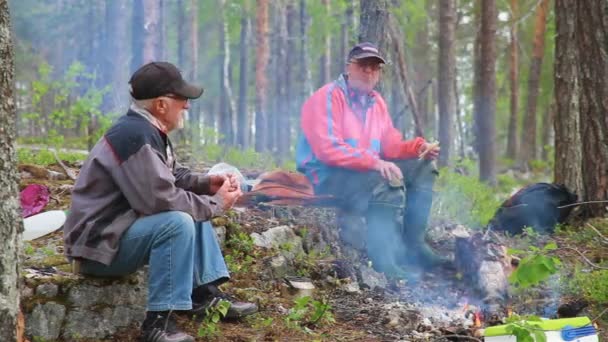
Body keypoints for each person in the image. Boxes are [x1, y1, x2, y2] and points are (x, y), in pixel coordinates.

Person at [64, 62, 257, 342]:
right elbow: (161, 201)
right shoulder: (134, 136)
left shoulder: (146, 130)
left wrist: (207, 184)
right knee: (177, 220)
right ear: (161, 105)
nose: (187, 106)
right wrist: (217, 203)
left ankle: (203, 296)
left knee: (192, 204)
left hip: (116, 236)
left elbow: (171, 178)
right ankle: (157, 325)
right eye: (182, 100)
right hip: (96, 250)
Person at [295, 42, 449, 279]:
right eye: (363, 65)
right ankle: (384, 263)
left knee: (423, 168)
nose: (368, 71)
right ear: (349, 68)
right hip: (324, 176)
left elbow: (389, 144)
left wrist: (418, 148)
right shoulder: (328, 97)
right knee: (386, 179)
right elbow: (328, 149)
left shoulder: (376, 102)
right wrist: (375, 163)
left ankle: (414, 247)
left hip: (359, 173)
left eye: (374, 67)